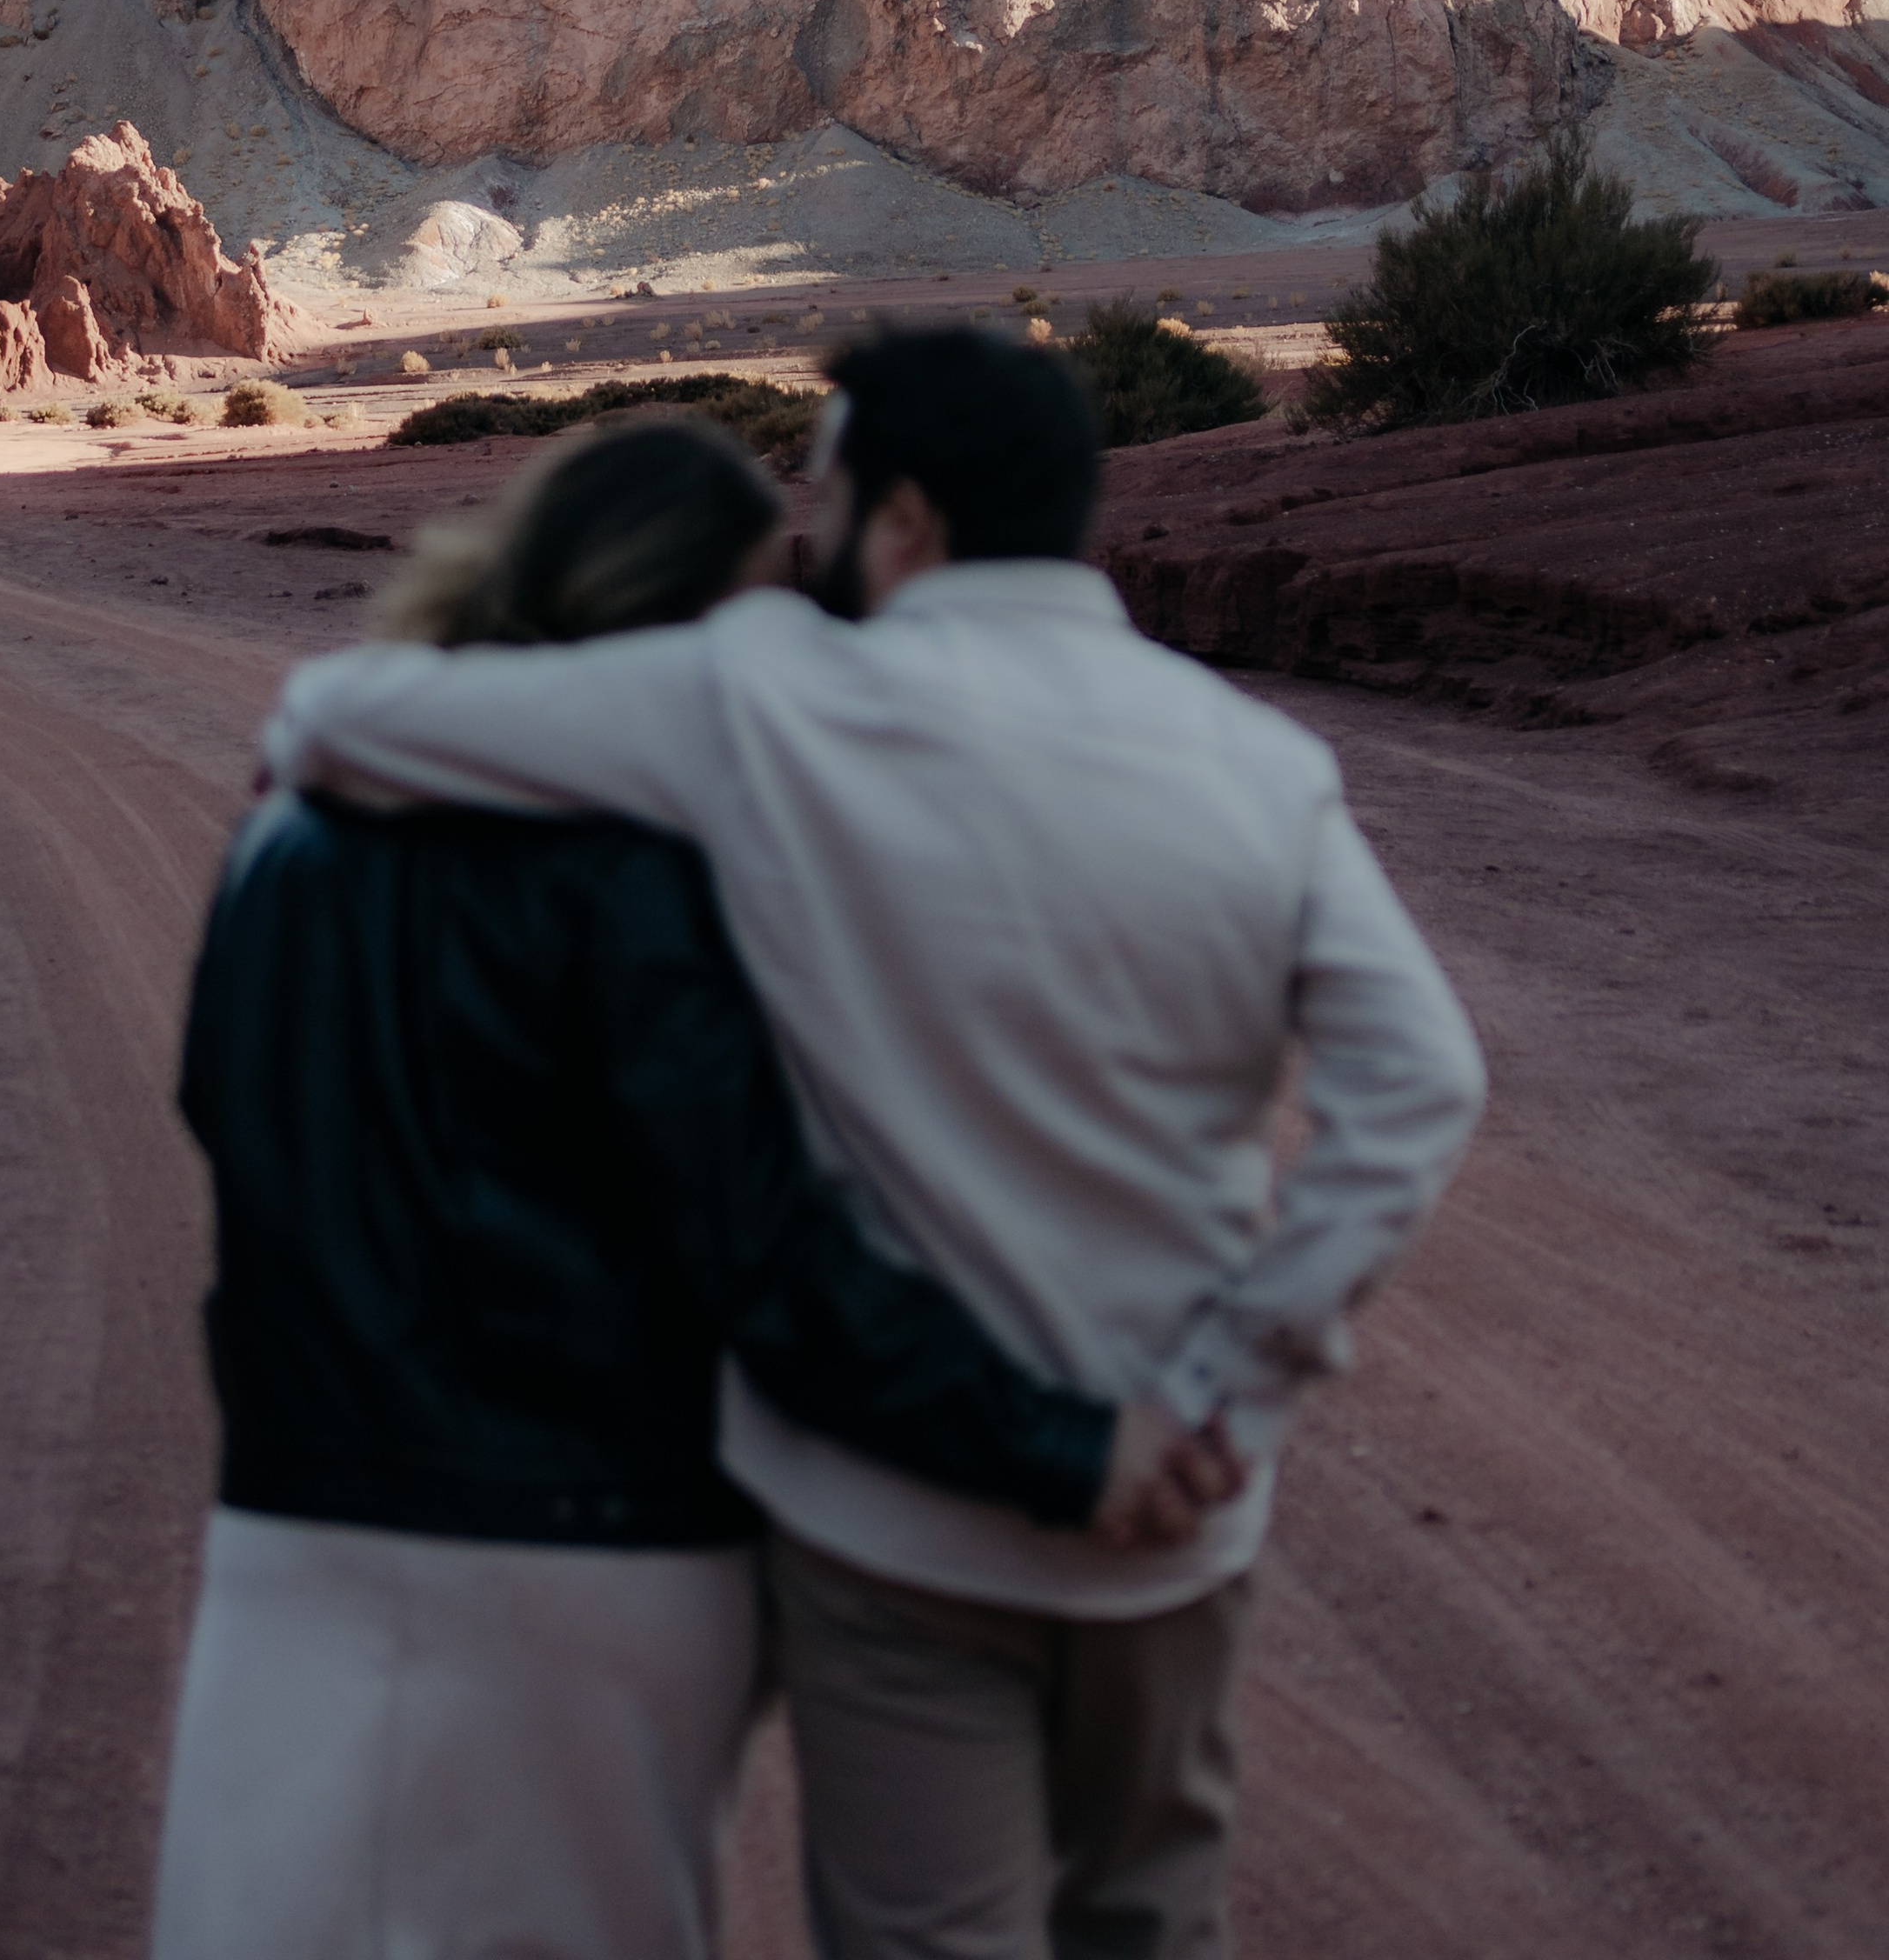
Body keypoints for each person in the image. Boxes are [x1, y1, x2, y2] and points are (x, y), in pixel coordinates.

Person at [263, 327, 1490, 1960]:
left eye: (824, 495)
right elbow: (1420, 1082)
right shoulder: (1262, 765)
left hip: (889, 1528)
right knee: (1153, 1920)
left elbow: (345, 718)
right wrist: (1237, 1384)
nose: (803, 536)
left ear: (902, 521)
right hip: (1185, 1515)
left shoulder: (766, 699)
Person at [152, 416, 1199, 1960]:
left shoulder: (290, 830)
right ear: (689, 618)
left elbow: (219, 1104)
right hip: (594, 1558)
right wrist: (1063, 1449)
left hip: (292, 1534)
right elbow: (773, 1264)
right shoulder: (648, 874)